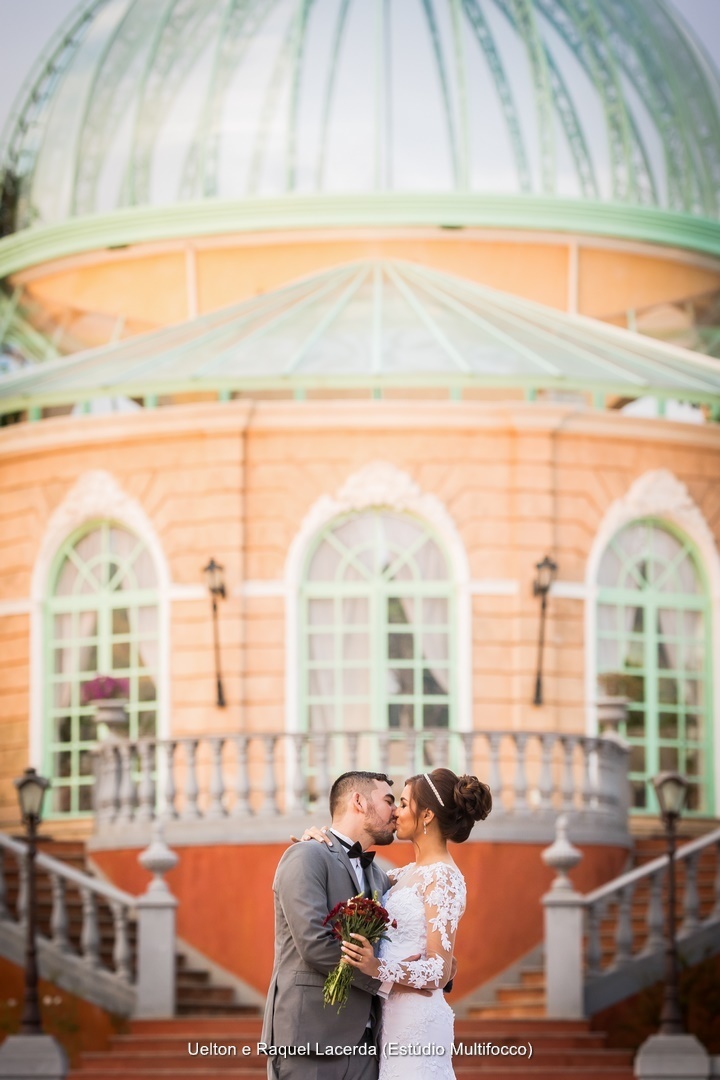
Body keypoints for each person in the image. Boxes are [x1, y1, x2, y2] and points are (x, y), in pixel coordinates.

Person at [304, 768, 491, 1080]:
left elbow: (439, 970)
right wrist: (319, 845)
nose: (395, 812)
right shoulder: (401, 875)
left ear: (427, 815)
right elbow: (351, 874)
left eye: (403, 804)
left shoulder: (443, 877)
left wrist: (376, 967)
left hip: (418, 1020)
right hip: (387, 1018)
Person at [261, 770, 427, 1080]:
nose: (395, 811)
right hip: (308, 1040)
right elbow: (315, 945)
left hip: (367, 1046)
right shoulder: (306, 856)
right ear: (359, 802)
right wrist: (383, 980)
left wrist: (436, 969)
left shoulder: (379, 877)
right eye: (389, 801)